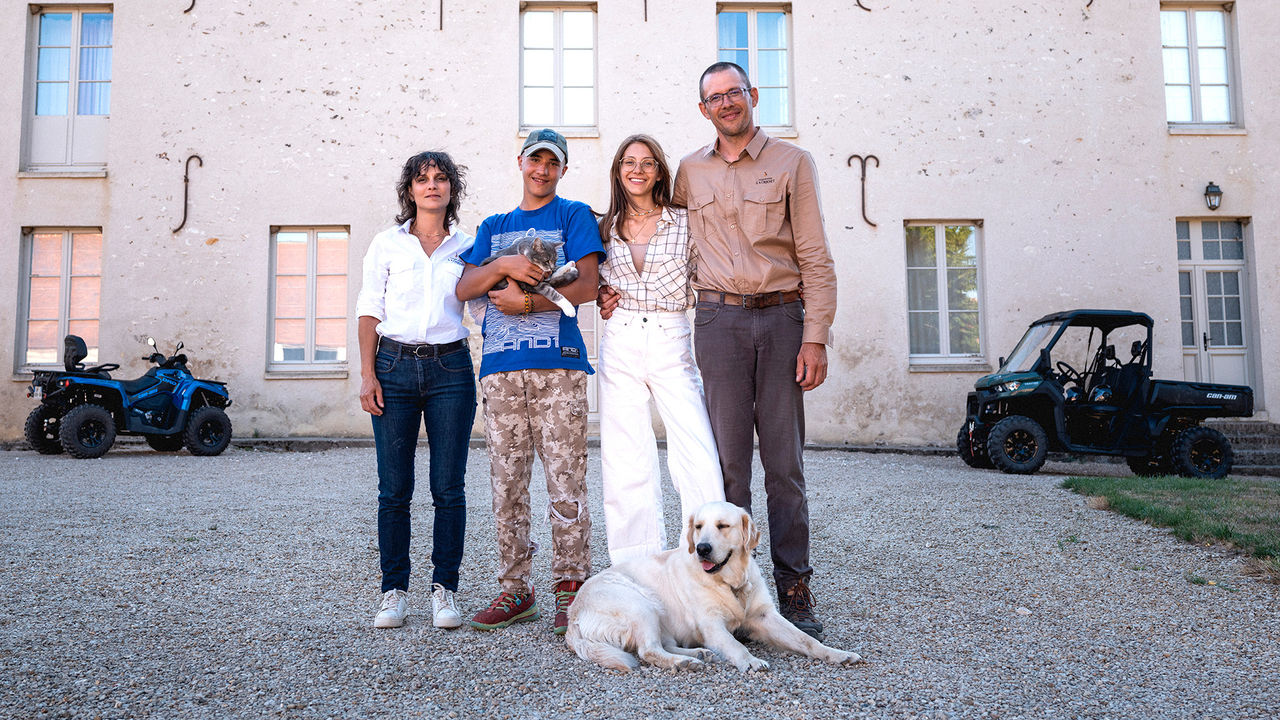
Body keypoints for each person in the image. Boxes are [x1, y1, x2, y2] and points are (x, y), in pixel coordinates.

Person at [675, 62, 838, 637]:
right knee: (728, 470)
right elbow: (659, 234)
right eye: (714, 97)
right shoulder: (689, 171)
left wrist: (815, 335)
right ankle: (730, 593)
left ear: (753, 96)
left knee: (784, 466)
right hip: (717, 321)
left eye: (734, 93)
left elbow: (816, 256)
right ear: (703, 109)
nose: (726, 104)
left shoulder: (793, 163)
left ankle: (795, 589)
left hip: (781, 319)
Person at [455, 128, 603, 636]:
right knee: (507, 485)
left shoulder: (573, 215)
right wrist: (500, 264)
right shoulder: (494, 225)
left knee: (566, 482)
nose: (542, 170)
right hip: (500, 369)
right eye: (535, 160)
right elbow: (464, 287)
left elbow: (587, 284)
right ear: (520, 162)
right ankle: (517, 590)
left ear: (562, 169)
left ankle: (571, 588)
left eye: (553, 163)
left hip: (558, 366)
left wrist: (529, 302)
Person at [356, 150, 476, 630]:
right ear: (410, 190)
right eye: (423, 179)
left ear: (451, 190)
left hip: (451, 369)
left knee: (448, 488)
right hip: (394, 367)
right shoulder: (387, 244)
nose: (432, 186)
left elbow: (485, 304)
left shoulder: (468, 244)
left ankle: (444, 590)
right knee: (394, 489)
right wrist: (368, 374)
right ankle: (394, 591)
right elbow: (369, 309)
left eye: (441, 179)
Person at [594, 134, 724, 564]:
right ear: (618, 171)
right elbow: (583, 274)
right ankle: (637, 567)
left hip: (670, 335)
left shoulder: (684, 221)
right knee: (625, 454)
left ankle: (707, 561)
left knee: (696, 448)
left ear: (659, 172)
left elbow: (712, 270)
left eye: (647, 163)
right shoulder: (604, 227)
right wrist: (599, 292)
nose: (637, 170)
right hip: (621, 335)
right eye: (628, 162)